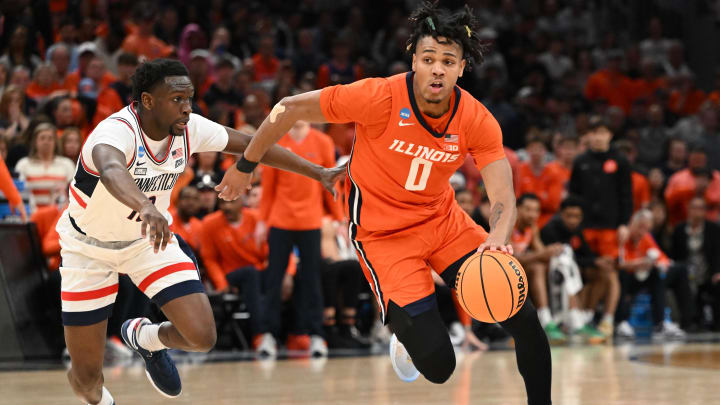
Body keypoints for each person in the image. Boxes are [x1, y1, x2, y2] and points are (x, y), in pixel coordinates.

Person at [218, 4, 552, 403]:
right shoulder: (377, 96)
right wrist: (245, 164)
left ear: (462, 68)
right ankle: (407, 338)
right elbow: (288, 107)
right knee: (440, 367)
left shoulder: (476, 119)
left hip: (444, 222)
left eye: (448, 61)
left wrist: (497, 237)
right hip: (383, 236)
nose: (438, 70)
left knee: (524, 317)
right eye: (428, 59)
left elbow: (503, 196)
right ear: (414, 60)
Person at [56, 58, 344, 405]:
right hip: (87, 249)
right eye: (177, 100)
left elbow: (255, 146)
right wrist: (146, 207)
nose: (187, 108)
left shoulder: (189, 127)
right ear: (147, 101)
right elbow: (113, 169)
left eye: (189, 98)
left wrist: (318, 172)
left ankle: (145, 337)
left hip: (147, 241)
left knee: (201, 336)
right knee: (87, 378)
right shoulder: (114, 133)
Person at [257, 120, 343, 357]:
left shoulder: (323, 141)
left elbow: (331, 180)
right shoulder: (277, 139)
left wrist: (339, 218)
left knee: (312, 280)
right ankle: (268, 335)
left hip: (311, 220)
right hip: (280, 220)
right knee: (274, 279)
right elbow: (268, 186)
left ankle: (316, 335)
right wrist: (263, 221)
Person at [569, 115, 633, 337]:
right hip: (586, 226)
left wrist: (624, 223)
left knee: (609, 272)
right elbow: (574, 196)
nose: (598, 137)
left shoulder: (620, 161)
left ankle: (609, 318)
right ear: (589, 136)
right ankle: (587, 317)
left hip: (610, 226)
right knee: (589, 272)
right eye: (594, 133)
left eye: (602, 132)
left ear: (610, 135)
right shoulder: (581, 161)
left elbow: (626, 195)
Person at [540, 196, 615, 342]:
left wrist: (597, 260)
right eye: (569, 216)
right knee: (565, 263)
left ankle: (586, 317)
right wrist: (592, 261)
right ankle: (574, 319)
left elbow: (585, 254)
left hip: (572, 270)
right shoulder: (550, 229)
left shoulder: (577, 230)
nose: (573, 220)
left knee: (603, 273)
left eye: (577, 217)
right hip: (551, 273)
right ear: (561, 214)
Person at [615, 210, 688, 340]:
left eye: (647, 229)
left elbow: (661, 258)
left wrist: (660, 265)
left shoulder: (646, 237)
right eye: (640, 227)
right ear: (632, 223)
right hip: (625, 276)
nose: (642, 232)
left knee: (660, 273)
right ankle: (621, 322)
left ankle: (660, 324)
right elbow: (619, 263)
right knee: (622, 275)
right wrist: (638, 263)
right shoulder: (623, 235)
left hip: (642, 275)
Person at [511, 194, 566, 343]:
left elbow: (541, 252)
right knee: (537, 267)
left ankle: (566, 316)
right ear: (517, 209)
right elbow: (510, 259)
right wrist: (543, 253)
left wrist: (553, 250)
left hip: (520, 272)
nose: (532, 214)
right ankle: (546, 318)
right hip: (501, 274)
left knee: (551, 266)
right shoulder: (508, 224)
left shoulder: (532, 227)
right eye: (528, 209)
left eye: (536, 210)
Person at [670, 197, 720, 330]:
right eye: (694, 208)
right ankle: (690, 322)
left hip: (709, 273)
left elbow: (717, 253)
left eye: (700, 208)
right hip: (687, 274)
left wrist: (718, 272)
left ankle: (717, 323)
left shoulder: (713, 229)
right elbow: (674, 255)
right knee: (683, 284)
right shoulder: (679, 230)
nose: (697, 212)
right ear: (688, 210)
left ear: (705, 211)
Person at [14, 122, 75, 208]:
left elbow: (74, 193)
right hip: (32, 217)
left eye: (50, 138)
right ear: (35, 142)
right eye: (42, 138)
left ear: (55, 142)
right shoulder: (23, 164)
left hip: (59, 216)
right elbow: (19, 193)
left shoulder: (67, 164)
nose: (46, 142)